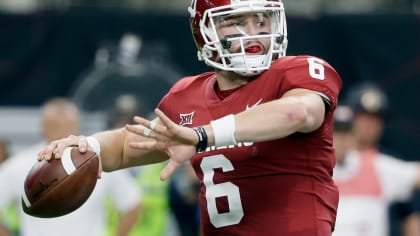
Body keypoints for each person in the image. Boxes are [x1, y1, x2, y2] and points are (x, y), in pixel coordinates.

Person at [38, 1, 343, 235]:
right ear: (204, 32)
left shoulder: (297, 72)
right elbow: (125, 145)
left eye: (262, 20)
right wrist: (86, 147)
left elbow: (298, 112)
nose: (253, 33)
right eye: (235, 23)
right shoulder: (188, 95)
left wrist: (203, 135)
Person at [0, 97, 142, 236]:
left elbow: (132, 203)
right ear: (43, 127)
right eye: (56, 125)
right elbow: (132, 203)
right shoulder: (18, 166)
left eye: (67, 124)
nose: (62, 130)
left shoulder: (95, 159)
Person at [332, 84, 420, 236]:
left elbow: (410, 216)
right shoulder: (315, 164)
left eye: (375, 119)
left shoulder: (381, 165)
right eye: (363, 118)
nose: (369, 125)